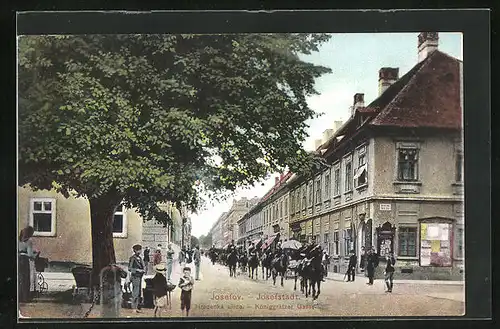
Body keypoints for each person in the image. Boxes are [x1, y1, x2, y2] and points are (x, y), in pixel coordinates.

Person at [19, 226, 39, 302]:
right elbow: (30, 254)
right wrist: (35, 254)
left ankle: (19, 297)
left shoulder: (18, 240)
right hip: (24, 261)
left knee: (20, 279)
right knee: (26, 279)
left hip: (18, 259)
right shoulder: (29, 241)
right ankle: (25, 298)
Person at [128, 244, 145, 313]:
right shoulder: (132, 258)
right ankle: (133, 308)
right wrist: (138, 270)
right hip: (135, 277)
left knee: (138, 293)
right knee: (135, 292)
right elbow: (130, 268)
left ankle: (137, 307)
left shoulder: (140, 258)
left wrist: (143, 270)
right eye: (138, 250)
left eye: (140, 250)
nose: (139, 251)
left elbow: (143, 266)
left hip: (140, 277)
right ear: (134, 250)